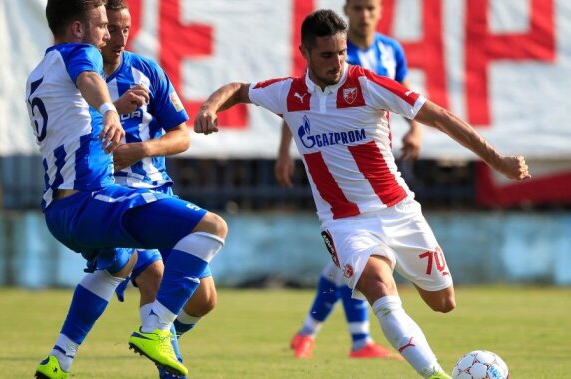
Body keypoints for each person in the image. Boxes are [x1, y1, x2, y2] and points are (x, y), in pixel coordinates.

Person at [194, 9, 529, 379]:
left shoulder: (369, 85)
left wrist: (496, 159)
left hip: (399, 210)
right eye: (327, 54)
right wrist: (209, 107)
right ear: (304, 51)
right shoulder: (288, 93)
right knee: (380, 290)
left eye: (342, 53)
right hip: (344, 222)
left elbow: (440, 117)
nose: (337, 62)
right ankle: (435, 375)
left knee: (443, 302)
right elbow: (238, 90)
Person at [26, 1, 226, 378]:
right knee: (211, 229)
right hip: (97, 199)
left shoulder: (41, 73)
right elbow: (88, 77)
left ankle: (60, 358)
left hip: (63, 209)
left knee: (131, 268)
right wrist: (111, 110)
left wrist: (123, 125)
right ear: (79, 29)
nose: (111, 36)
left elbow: (75, 126)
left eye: (120, 28)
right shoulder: (82, 55)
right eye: (104, 26)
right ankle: (157, 331)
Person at [275, 0, 419, 359]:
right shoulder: (333, 51)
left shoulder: (390, 50)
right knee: (351, 263)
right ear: (347, 11)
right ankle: (356, 340)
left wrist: (415, 130)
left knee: (345, 264)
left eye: (370, 8)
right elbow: (297, 100)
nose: (364, 15)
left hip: (377, 166)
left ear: (380, 12)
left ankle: (312, 332)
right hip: (339, 171)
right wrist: (284, 152)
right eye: (357, 8)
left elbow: (404, 91)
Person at [101, 1, 218, 378]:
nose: (120, 39)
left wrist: (142, 149)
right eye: (112, 30)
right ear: (93, 28)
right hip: (112, 198)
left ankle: (160, 332)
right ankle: (170, 366)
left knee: (203, 300)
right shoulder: (77, 77)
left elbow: (182, 136)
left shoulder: (146, 71)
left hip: (158, 192)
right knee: (154, 275)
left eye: (126, 29)